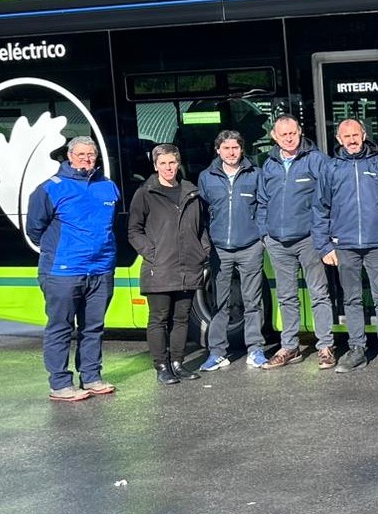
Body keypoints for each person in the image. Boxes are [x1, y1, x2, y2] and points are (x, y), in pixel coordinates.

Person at [27, 135, 121, 401]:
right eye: (81, 155)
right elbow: (35, 229)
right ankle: (60, 384)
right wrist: (60, 251)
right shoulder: (50, 188)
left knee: (94, 327)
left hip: (101, 269)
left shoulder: (108, 186)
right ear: (69, 156)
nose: (87, 159)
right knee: (60, 327)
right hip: (63, 271)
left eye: (91, 155)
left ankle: (91, 377)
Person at [314, 118, 378, 374]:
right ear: (339, 140)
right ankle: (357, 350)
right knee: (352, 299)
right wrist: (324, 246)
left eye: (356, 135)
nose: (352, 140)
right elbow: (320, 209)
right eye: (347, 136)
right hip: (344, 245)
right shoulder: (330, 168)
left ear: (364, 135)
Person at [255, 115, 337, 370]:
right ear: (274, 137)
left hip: (309, 239)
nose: (289, 138)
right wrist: (264, 234)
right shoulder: (267, 164)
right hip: (277, 242)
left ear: (300, 132)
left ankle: (325, 346)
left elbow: (329, 198)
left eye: (293, 133)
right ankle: (290, 346)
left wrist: (323, 235)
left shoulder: (317, 160)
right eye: (283, 135)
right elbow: (261, 201)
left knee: (319, 293)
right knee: (287, 296)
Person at [127, 143, 211, 386]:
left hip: (188, 266)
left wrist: (202, 250)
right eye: (162, 163)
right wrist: (151, 253)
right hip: (160, 267)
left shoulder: (191, 192)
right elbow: (134, 230)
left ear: (178, 163)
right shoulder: (145, 193)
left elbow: (201, 227)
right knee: (159, 318)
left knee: (182, 318)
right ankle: (161, 366)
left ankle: (177, 362)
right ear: (155, 166)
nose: (168, 168)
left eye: (172, 162)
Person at [197, 131, 268, 371]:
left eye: (235, 148)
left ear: (242, 149)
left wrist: (261, 238)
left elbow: (263, 207)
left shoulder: (255, 174)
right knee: (220, 303)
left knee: (253, 301)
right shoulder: (206, 177)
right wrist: (207, 243)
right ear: (218, 150)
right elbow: (202, 214)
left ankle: (255, 350)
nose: (231, 152)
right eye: (226, 148)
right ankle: (217, 352)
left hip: (250, 247)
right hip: (220, 250)